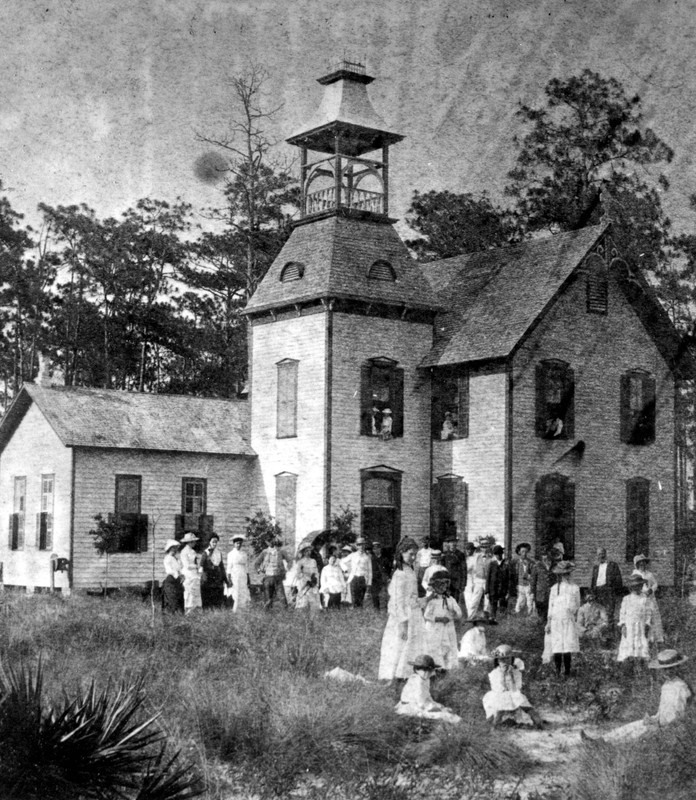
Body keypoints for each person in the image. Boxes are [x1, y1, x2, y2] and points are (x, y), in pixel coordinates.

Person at [585, 650, 692, 743]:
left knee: (638, 732)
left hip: (669, 727)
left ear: (678, 668)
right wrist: (654, 718)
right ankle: (603, 739)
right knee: (633, 726)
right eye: (664, 669)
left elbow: (678, 713)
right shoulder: (667, 685)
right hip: (660, 722)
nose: (667, 672)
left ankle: (606, 742)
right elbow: (663, 709)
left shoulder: (680, 687)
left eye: (671, 669)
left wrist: (660, 724)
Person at [378, 537, 425, 681]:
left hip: (414, 613)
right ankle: (395, 674)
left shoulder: (410, 571)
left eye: (415, 555)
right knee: (399, 644)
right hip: (403, 616)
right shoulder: (399, 574)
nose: (413, 558)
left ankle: (408, 673)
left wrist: (425, 600)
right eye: (410, 554)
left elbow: (413, 596)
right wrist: (403, 622)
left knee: (413, 644)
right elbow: (398, 602)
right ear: (401, 553)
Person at [482, 644, 543, 728]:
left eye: (507, 659)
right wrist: (503, 675)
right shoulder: (495, 673)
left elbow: (516, 687)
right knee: (499, 709)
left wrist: (511, 674)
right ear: (497, 661)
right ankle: (495, 724)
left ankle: (538, 723)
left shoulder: (515, 672)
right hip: (500, 694)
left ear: (511, 659)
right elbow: (499, 688)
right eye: (502, 660)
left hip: (514, 692)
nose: (505, 662)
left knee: (526, 706)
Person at [394, 654, 461, 723]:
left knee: (446, 710)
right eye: (424, 670)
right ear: (416, 669)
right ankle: (457, 723)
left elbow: (427, 696)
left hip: (420, 704)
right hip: (411, 706)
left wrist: (438, 705)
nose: (427, 673)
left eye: (430, 670)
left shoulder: (425, 680)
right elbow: (421, 702)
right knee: (444, 715)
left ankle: (458, 722)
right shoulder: (417, 681)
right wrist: (437, 708)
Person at [422, 569, 462, 671]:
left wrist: (453, 614)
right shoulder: (432, 601)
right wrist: (439, 619)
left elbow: (459, 613)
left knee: (449, 646)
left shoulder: (450, 599)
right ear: (435, 587)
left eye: (445, 585)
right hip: (435, 627)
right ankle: (437, 667)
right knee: (435, 647)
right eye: (441, 585)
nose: (443, 588)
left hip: (448, 627)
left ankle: (449, 666)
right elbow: (426, 615)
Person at [546, 560, 581, 677]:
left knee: (567, 646)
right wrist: (548, 622)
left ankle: (567, 671)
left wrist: (571, 612)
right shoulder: (554, 588)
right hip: (556, 620)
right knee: (557, 646)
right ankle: (557, 671)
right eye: (564, 574)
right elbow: (551, 606)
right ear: (560, 576)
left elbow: (577, 605)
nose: (566, 577)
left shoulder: (575, 588)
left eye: (568, 574)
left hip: (568, 620)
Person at [617, 574, 653, 664]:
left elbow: (648, 613)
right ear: (631, 587)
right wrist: (623, 625)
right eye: (635, 586)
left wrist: (647, 624)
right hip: (629, 625)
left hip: (641, 624)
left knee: (641, 641)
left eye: (639, 586)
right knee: (629, 641)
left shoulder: (645, 599)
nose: (637, 588)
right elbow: (622, 613)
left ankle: (641, 660)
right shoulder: (626, 599)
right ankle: (629, 660)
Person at [632, 554, 664, 648]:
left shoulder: (649, 574)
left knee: (654, 616)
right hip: (640, 598)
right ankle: (642, 638)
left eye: (644, 563)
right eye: (640, 563)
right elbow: (634, 586)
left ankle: (655, 638)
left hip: (650, 598)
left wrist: (651, 590)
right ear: (637, 565)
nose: (642, 565)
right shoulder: (635, 574)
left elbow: (655, 584)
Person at [255, 536, 292, 609]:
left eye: (271, 540)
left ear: (274, 540)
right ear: (266, 542)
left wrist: (287, 569)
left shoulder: (281, 551)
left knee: (282, 598)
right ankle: (267, 616)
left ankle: (285, 615)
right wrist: (259, 570)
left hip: (278, 577)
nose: (270, 542)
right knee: (268, 599)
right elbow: (257, 563)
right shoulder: (264, 552)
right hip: (268, 577)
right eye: (268, 541)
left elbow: (290, 561)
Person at [591, 548, 623, 626]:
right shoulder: (595, 567)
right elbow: (593, 581)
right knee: (599, 613)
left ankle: (610, 634)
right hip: (598, 592)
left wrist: (615, 592)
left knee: (609, 613)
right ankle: (600, 633)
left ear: (605, 554)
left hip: (608, 591)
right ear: (597, 556)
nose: (601, 556)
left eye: (602, 553)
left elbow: (618, 579)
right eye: (599, 554)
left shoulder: (612, 565)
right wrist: (592, 593)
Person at [464, 536, 492, 619]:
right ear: (480, 547)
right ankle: (470, 617)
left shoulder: (492, 558)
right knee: (475, 600)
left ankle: (487, 617)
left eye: (486, 547)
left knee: (488, 600)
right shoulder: (476, 557)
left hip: (488, 581)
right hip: (478, 580)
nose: (484, 549)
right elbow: (469, 568)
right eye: (483, 547)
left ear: (489, 547)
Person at [200, 534, 227, 609]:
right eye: (213, 542)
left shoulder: (218, 553)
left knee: (217, 598)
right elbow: (201, 565)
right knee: (208, 597)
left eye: (216, 542)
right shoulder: (205, 552)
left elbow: (222, 567)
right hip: (208, 577)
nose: (214, 544)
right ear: (209, 542)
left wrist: (226, 580)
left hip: (217, 577)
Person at [344, 537, 373, 608]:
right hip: (354, 578)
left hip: (363, 579)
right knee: (354, 599)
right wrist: (346, 570)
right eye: (359, 545)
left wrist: (369, 583)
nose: (361, 546)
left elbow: (370, 571)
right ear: (356, 546)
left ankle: (360, 615)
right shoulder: (352, 555)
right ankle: (354, 614)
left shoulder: (367, 557)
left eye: (363, 544)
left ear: (365, 545)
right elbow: (342, 562)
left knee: (361, 599)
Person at [226, 534, 250, 613]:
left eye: (240, 543)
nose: (238, 545)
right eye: (237, 543)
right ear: (234, 544)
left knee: (243, 591)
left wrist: (248, 576)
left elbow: (246, 566)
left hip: (243, 574)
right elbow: (229, 567)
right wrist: (229, 578)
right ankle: (235, 609)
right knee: (236, 591)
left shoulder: (244, 554)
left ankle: (243, 609)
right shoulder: (231, 554)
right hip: (235, 574)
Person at [179, 531, 202, 614]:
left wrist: (198, 567)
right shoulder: (183, 552)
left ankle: (195, 611)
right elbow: (187, 565)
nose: (194, 543)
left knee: (195, 593)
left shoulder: (193, 552)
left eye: (194, 541)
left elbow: (196, 561)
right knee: (189, 593)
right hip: (188, 574)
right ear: (189, 542)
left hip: (194, 574)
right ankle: (188, 611)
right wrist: (196, 566)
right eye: (193, 541)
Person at [293, 545, 320, 612]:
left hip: (313, 582)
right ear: (303, 552)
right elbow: (298, 574)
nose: (308, 552)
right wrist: (306, 580)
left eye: (309, 551)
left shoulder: (313, 561)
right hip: (304, 582)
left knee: (313, 601)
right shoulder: (300, 562)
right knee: (303, 600)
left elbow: (316, 572)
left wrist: (315, 580)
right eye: (306, 551)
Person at [510, 542, 534, 615]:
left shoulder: (530, 562)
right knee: (520, 599)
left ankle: (530, 614)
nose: (524, 553)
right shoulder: (516, 562)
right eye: (522, 551)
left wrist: (528, 576)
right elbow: (514, 574)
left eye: (526, 552)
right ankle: (518, 612)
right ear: (519, 552)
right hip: (520, 584)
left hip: (528, 584)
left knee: (530, 600)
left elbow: (533, 574)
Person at [530, 550, 554, 623]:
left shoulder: (553, 565)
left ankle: (547, 621)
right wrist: (532, 592)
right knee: (540, 607)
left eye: (546, 555)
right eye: (543, 555)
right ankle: (541, 620)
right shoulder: (537, 566)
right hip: (540, 592)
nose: (545, 557)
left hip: (550, 591)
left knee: (549, 607)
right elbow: (533, 581)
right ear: (541, 557)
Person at [486, 544, 508, 621]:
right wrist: (487, 591)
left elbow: (509, 578)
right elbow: (488, 578)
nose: (498, 555)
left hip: (503, 587)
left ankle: (502, 618)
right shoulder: (492, 564)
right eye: (496, 554)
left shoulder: (506, 564)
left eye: (500, 553)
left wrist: (508, 591)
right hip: (493, 588)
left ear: (502, 553)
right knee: (493, 603)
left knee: (502, 602)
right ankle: (492, 617)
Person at [161, 539, 184, 614]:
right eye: (174, 548)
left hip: (177, 581)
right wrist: (178, 575)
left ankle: (178, 616)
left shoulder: (175, 558)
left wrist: (181, 574)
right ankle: (170, 615)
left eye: (176, 548)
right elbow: (169, 570)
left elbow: (180, 568)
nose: (176, 550)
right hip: (170, 580)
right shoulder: (167, 558)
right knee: (171, 599)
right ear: (170, 549)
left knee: (179, 599)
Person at [442, 536, 466, 604]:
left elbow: (464, 570)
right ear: (448, 544)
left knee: (455, 603)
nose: (453, 544)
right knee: (446, 602)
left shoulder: (460, 555)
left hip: (457, 583)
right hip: (447, 583)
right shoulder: (445, 555)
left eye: (454, 542)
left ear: (456, 543)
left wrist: (463, 584)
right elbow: (442, 569)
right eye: (451, 542)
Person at [368, 541, 386, 610]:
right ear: (373, 550)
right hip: (374, 579)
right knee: (374, 595)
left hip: (383, 578)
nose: (376, 550)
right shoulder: (371, 559)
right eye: (374, 549)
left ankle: (385, 609)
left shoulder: (385, 558)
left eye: (378, 548)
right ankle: (376, 609)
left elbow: (388, 568)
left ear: (380, 549)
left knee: (384, 595)